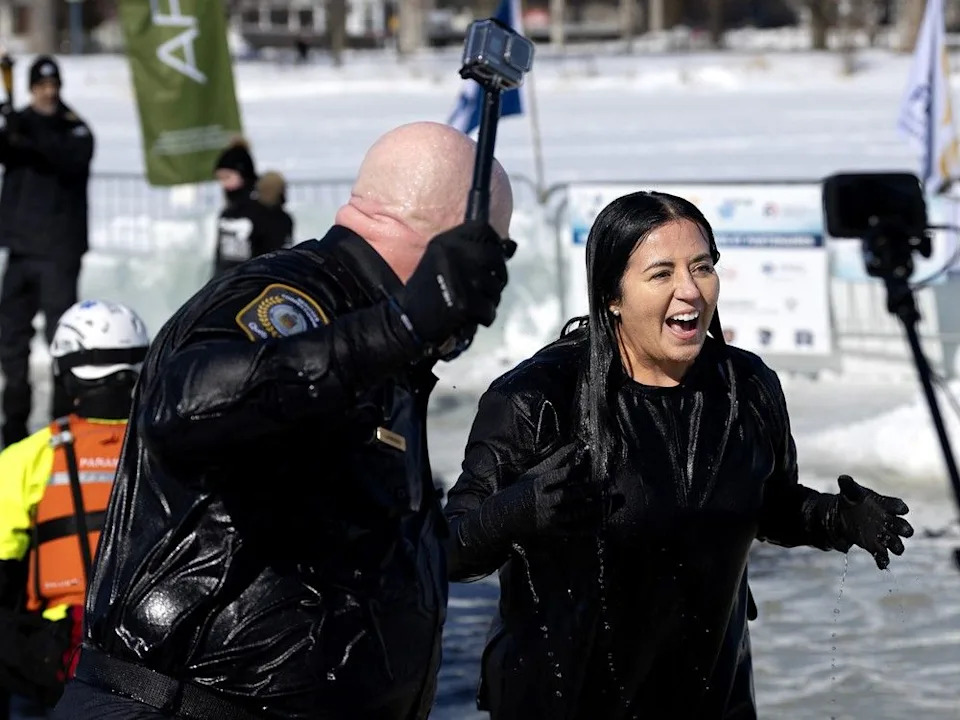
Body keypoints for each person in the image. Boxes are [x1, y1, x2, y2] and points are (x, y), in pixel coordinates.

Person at [51, 121, 514, 720]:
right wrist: (399, 325)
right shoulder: (294, 299)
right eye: (493, 253)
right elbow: (187, 404)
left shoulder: (380, 350)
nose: (491, 285)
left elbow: (372, 559)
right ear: (451, 242)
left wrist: (515, 512)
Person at [444, 191, 914, 719]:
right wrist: (518, 510)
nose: (689, 290)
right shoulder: (536, 400)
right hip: (563, 701)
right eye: (661, 273)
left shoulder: (747, 387)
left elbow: (768, 503)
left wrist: (836, 518)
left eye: (702, 267)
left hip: (711, 697)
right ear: (612, 296)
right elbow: (447, 552)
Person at [0, 301, 149, 720]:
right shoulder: (169, 448)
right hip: (152, 652)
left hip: (57, 658)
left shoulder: (26, 458)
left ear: (65, 373)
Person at [0, 55, 95, 447]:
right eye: (41, 86)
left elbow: (64, 158)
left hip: (59, 251)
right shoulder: (19, 124)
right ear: (31, 88)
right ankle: (14, 426)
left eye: (53, 86)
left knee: (62, 341)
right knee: (10, 340)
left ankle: (62, 424)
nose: (48, 92)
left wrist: (26, 131)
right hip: (21, 251)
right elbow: (9, 149)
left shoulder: (74, 129)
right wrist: (9, 122)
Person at [212, 139, 294, 277]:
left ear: (243, 174)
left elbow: (278, 257)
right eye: (220, 178)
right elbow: (220, 260)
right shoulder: (227, 213)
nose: (223, 185)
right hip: (226, 289)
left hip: (258, 289)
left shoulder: (268, 213)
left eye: (227, 177)